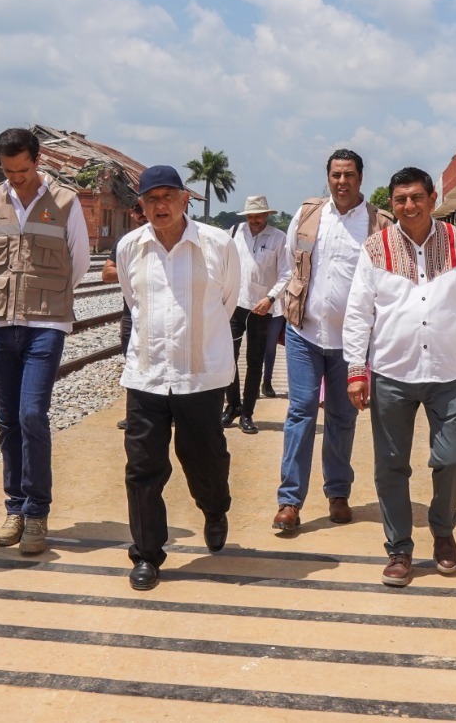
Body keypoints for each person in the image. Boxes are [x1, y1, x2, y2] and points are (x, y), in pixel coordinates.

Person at [345, 167, 456, 587]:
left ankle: (442, 531)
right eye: (400, 199)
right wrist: (356, 370)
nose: (408, 206)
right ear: (391, 203)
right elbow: (358, 312)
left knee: (451, 457)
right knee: (390, 465)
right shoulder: (375, 247)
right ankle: (400, 549)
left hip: (449, 370)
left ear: (433, 197)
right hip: (391, 371)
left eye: (416, 197)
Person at [117, 164, 240, 591]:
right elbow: (133, 303)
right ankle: (147, 554)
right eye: (151, 199)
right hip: (147, 375)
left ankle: (215, 508)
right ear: (142, 204)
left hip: (200, 376)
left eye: (168, 196)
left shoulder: (217, 244)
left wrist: (197, 342)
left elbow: (227, 302)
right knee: (142, 469)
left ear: (185, 198)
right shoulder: (130, 247)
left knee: (204, 459)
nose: (160, 205)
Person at [0, 127, 91, 556]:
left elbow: (78, 260)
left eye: (23, 170)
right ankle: (15, 509)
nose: (17, 178)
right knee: (7, 420)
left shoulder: (66, 201)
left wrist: (50, 297)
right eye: (9, 171)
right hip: (1, 324)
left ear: (37, 161)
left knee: (31, 414)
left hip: (47, 324)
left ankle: (37, 512)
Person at [273, 148, 391, 534]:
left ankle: (338, 493)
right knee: (301, 412)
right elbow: (294, 262)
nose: (342, 182)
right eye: (336, 175)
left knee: (342, 418)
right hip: (304, 333)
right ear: (328, 177)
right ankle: (290, 501)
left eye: (349, 175)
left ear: (361, 179)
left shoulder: (378, 225)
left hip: (352, 344)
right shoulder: (308, 215)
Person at [222, 194, 291, 435]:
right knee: (228, 357)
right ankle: (233, 406)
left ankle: (248, 413)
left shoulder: (278, 238)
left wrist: (271, 298)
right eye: (251, 215)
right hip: (234, 305)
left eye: (259, 215)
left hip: (261, 308)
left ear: (267, 215)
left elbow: (287, 274)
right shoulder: (233, 233)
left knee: (254, 361)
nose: (254, 220)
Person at [102, 199, 146, 431]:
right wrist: (137, 269)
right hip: (132, 311)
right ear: (132, 213)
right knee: (132, 361)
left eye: (145, 209)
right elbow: (107, 273)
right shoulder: (125, 242)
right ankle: (134, 414)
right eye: (139, 210)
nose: (143, 215)